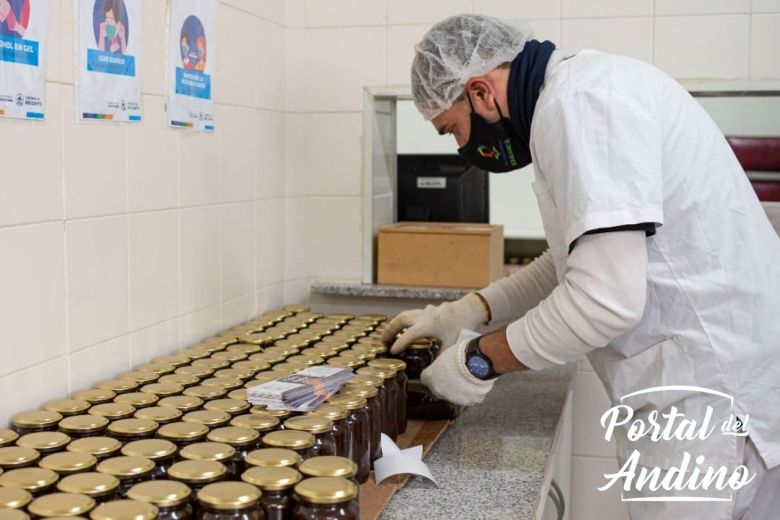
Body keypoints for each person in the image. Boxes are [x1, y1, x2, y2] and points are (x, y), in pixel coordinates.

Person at [383, 14, 780, 519]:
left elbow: (604, 301)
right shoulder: (583, 90)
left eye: (451, 130)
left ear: (480, 93)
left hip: (712, 403)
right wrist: (468, 311)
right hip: (722, 382)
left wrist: (478, 361)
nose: (463, 148)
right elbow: (570, 262)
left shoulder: (580, 105)